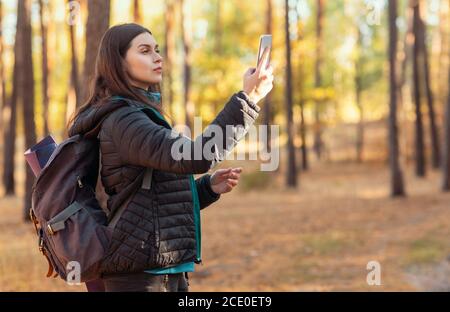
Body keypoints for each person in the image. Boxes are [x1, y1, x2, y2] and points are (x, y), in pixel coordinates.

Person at [67, 23, 274, 292]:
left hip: (165, 269)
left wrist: (207, 188)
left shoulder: (139, 115)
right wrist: (249, 98)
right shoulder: (124, 120)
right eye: (144, 51)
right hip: (140, 277)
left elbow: (150, 205)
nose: (157, 57)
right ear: (118, 62)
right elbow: (197, 156)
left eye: (157, 49)